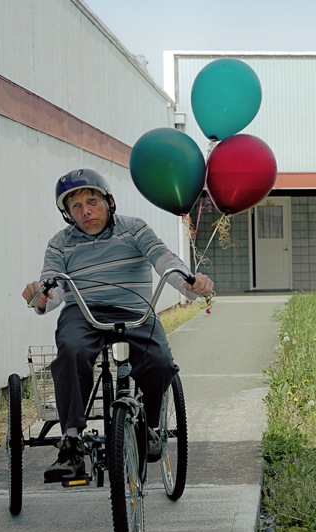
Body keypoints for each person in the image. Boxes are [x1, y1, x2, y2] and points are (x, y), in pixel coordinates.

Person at [22, 168, 213, 482]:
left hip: (134, 310)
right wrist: (41, 296)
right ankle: (72, 442)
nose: (85, 211)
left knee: (160, 361)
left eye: (92, 201)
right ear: (68, 214)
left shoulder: (134, 229)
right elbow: (52, 285)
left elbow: (165, 260)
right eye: (76, 206)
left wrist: (189, 283)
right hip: (83, 313)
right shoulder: (60, 244)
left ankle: (150, 426)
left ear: (109, 201)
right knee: (71, 350)